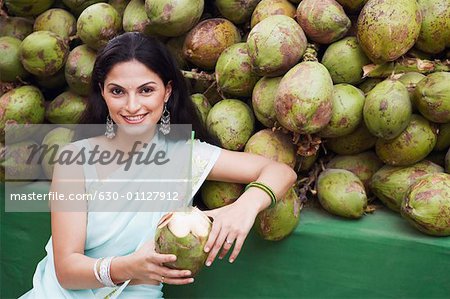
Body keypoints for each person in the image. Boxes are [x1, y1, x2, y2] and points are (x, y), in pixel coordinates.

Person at [20, 32, 297, 298]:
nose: (132, 105)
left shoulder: (186, 156)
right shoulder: (75, 160)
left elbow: (280, 172)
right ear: (102, 93)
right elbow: (67, 271)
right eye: (117, 91)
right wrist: (129, 266)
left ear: (167, 92)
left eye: (146, 90)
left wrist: (245, 206)